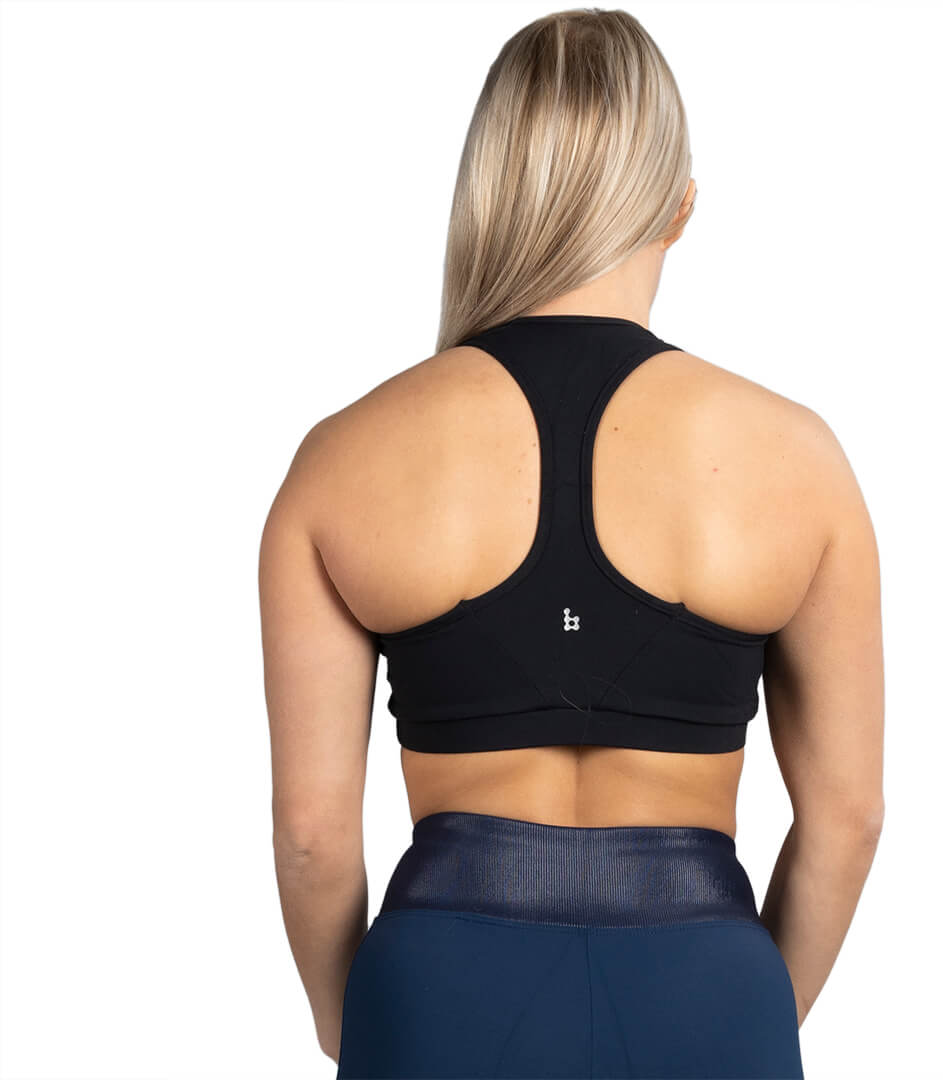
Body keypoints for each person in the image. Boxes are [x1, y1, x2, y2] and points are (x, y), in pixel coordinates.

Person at [259, 8, 885, 1079]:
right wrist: (743, 1010)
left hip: (437, 989)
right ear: (680, 205)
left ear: (490, 194)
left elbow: (313, 831)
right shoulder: (796, 457)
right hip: (706, 985)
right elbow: (851, 816)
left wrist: (350, 1022)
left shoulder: (343, 457)